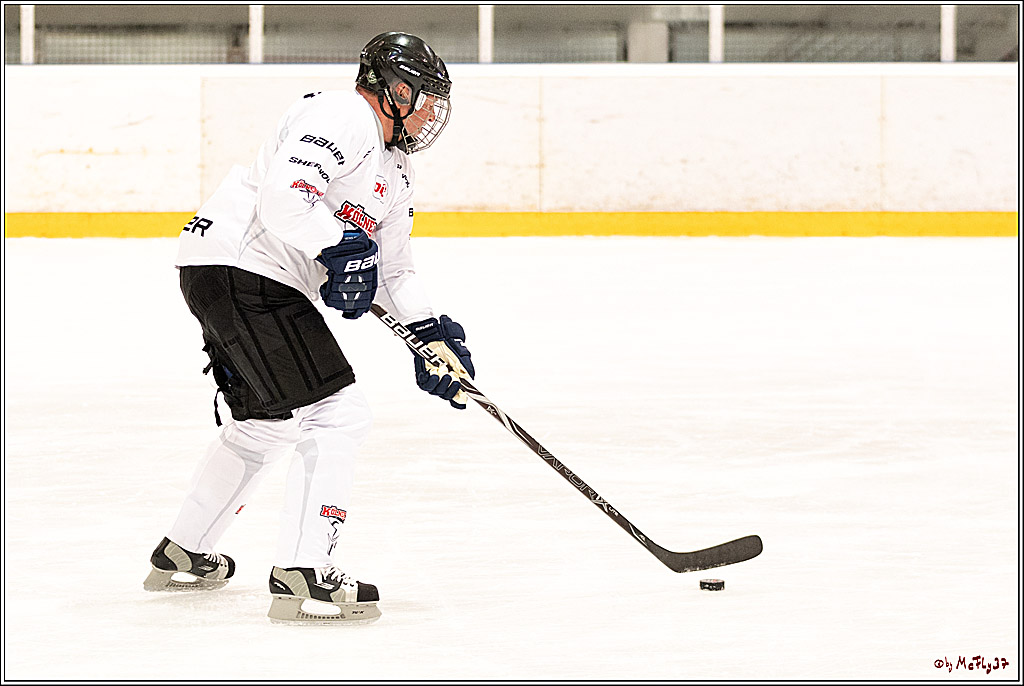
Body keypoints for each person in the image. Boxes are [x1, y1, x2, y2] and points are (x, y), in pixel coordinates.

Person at [143, 32, 475, 624]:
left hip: (226, 272)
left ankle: (184, 551)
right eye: (426, 99)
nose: (432, 115)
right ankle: (305, 574)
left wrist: (429, 335)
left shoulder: (395, 170)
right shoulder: (343, 115)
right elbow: (284, 198)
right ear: (397, 91)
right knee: (339, 413)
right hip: (245, 269)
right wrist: (340, 246)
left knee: (264, 424)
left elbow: (393, 267)